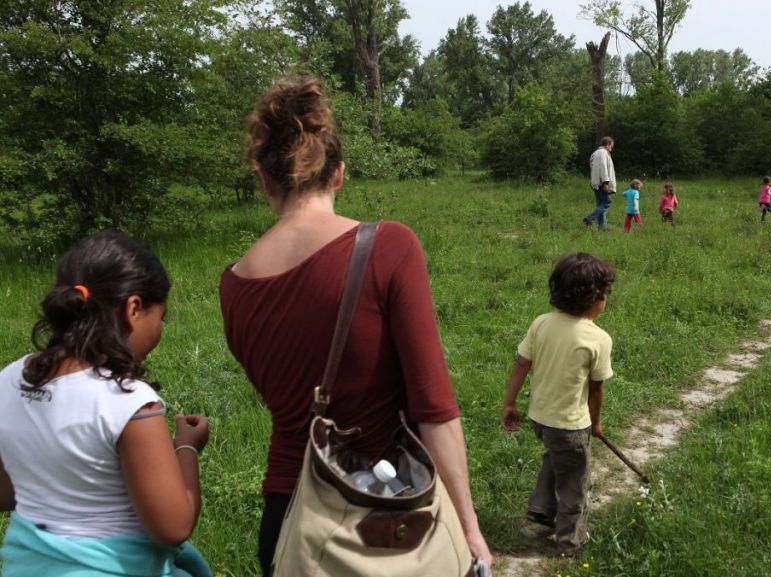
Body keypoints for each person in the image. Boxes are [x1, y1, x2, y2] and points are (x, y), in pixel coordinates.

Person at [218, 76, 491, 576]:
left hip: (291, 524)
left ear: (265, 181)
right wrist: (469, 528)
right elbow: (433, 409)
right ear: (340, 174)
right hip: (387, 517)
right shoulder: (389, 247)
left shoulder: (233, 283)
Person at [0, 232, 211, 577]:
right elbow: (173, 528)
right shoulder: (127, 401)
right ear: (133, 309)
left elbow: (6, 492)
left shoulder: (10, 378)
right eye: (161, 317)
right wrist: (186, 449)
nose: (160, 329)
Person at [501, 253, 616, 557]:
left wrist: (509, 403)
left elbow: (521, 364)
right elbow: (596, 388)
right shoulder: (598, 339)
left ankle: (541, 509)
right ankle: (569, 541)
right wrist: (596, 422)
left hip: (540, 418)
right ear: (595, 298)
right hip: (571, 425)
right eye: (605, 294)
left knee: (556, 457)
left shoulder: (541, 323)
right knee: (575, 482)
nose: (606, 300)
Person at [583, 137, 617, 229]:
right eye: (611, 146)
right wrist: (605, 183)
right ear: (608, 144)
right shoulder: (603, 153)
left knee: (600, 205)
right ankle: (590, 218)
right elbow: (603, 168)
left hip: (595, 182)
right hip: (602, 183)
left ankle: (602, 227)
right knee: (606, 203)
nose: (612, 148)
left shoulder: (594, 153)